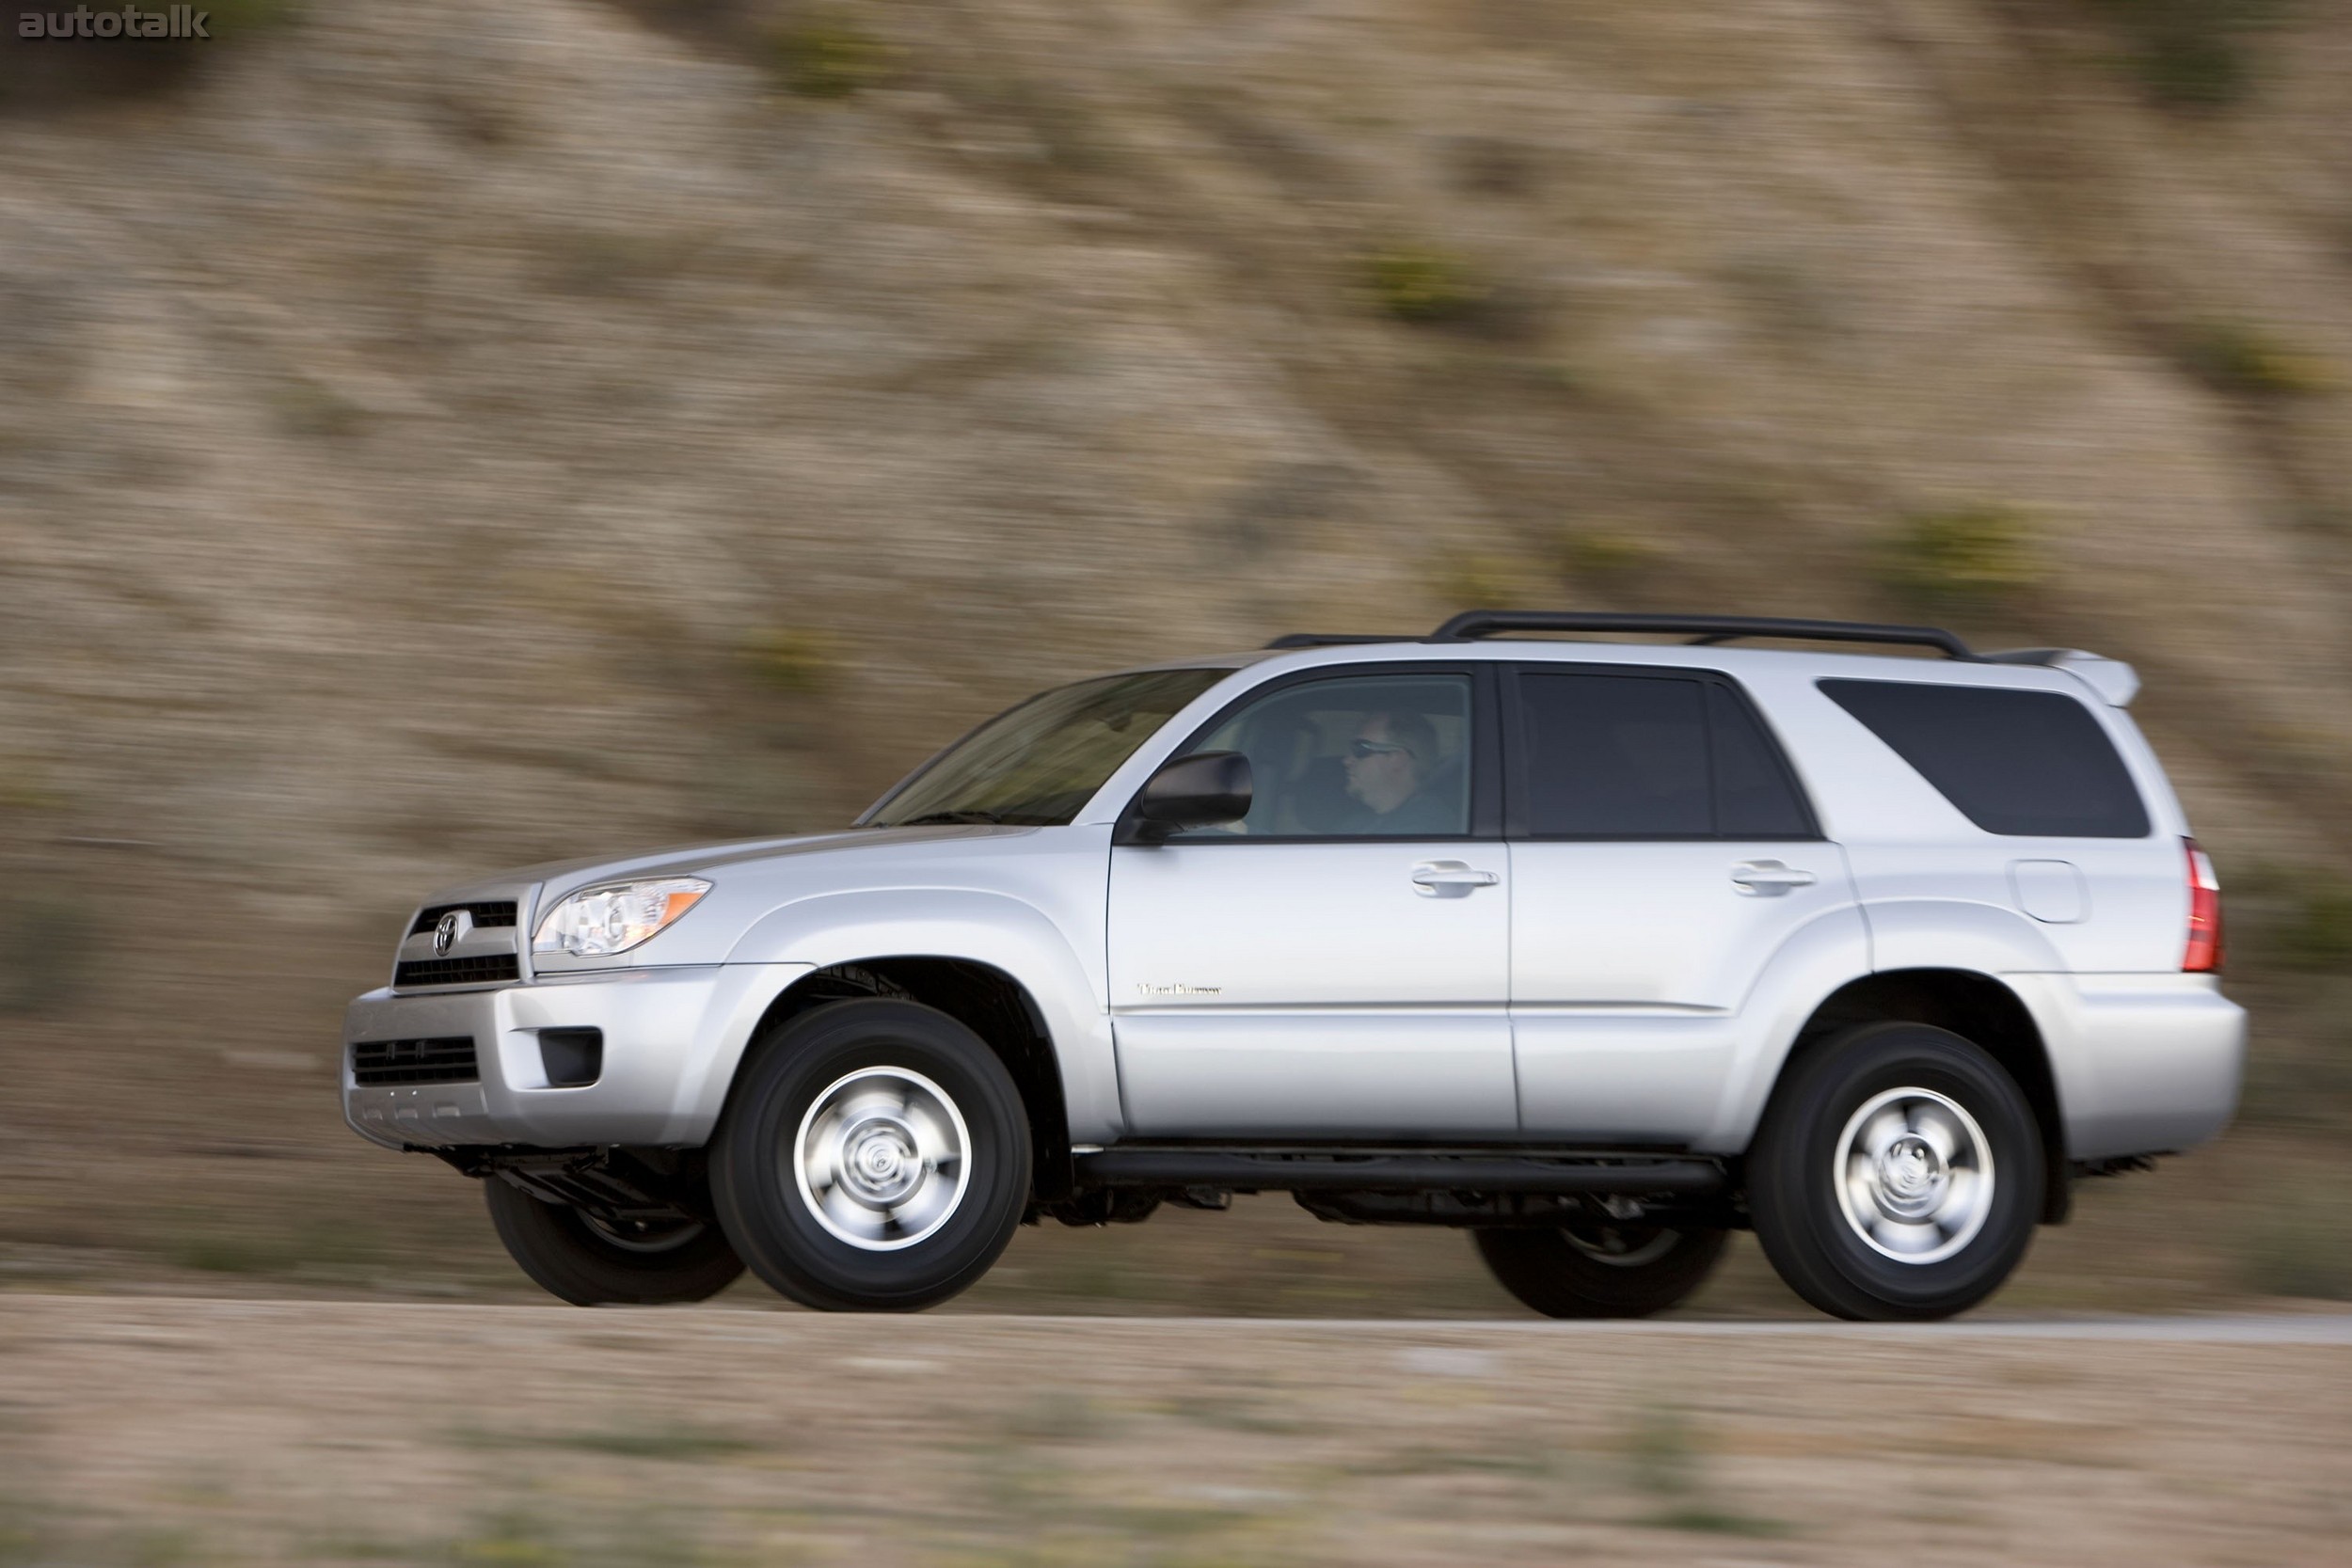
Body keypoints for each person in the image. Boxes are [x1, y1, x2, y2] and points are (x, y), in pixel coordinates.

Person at [1339, 710, 1456, 834]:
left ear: (1397, 759)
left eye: (1361, 749)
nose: (1347, 760)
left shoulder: (1424, 831)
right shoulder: (1361, 821)